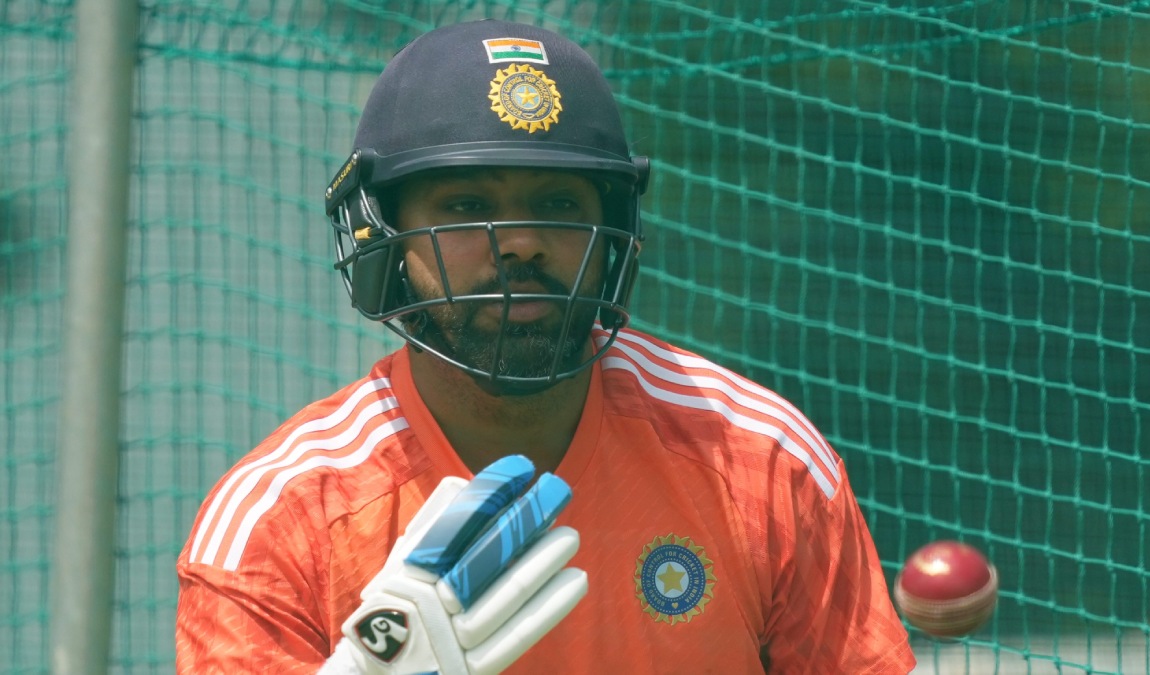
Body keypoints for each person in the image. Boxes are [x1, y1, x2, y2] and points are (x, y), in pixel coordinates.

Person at [176, 18, 917, 674]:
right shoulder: (281, 520)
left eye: (559, 203)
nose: (522, 242)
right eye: (467, 204)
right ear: (383, 238)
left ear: (614, 232)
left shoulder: (762, 462)